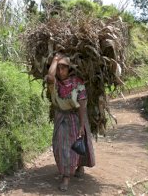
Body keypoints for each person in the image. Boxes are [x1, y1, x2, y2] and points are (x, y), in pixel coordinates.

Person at [45, 53, 95, 192]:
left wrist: (81, 125)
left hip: (75, 118)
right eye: (58, 68)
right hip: (60, 117)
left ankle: (66, 177)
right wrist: (55, 60)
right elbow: (49, 77)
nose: (61, 71)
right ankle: (69, 169)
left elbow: (82, 104)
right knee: (59, 146)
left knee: (74, 146)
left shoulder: (77, 83)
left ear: (69, 69)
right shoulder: (55, 84)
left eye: (64, 68)